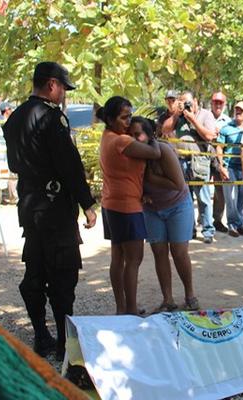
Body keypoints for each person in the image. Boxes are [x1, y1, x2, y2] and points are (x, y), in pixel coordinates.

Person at [3, 61, 97, 360]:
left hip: (30, 205)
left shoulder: (16, 117)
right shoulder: (51, 118)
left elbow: (15, 163)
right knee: (62, 274)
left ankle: (41, 337)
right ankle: (61, 342)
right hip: (55, 208)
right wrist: (88, 203)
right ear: (52, 84)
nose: (63, 95)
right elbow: (68, 165)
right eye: (63, 89)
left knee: (35, 270)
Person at [98, 96, 161, 315]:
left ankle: (122, 308)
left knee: (119, 258)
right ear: (110, 119)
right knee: (133, 259)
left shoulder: (107, 136)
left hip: (111, 204)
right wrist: (151, 135)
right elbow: (155, 153)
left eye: (130, 117)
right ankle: (131, 310)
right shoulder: (121, 141)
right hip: (126, 206)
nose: (128, 122)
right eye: (124, 118)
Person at [129, 117, 199, 312]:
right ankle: (167, 299)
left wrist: (151, 178)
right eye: (130, 134)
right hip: (152, 210)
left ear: (150, 135)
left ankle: (190, 295)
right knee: (159, 253)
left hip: (178, 205)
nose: (133, 139)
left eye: (138, 134)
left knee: (179, 252)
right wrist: (142, 194)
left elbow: (178, 184)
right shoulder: (131, 153)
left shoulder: (164, 151)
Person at [171, 90, 218, 243]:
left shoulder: (206, 115)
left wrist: (192, 120)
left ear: (196, 101)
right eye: (183, 103)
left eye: (188, 102)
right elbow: (164, 130)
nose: (186, 105)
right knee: (185, 198)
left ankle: (208, 231)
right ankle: (189, 230)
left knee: (203, 197)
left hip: (200, 161)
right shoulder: (178, 117)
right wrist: (175, 115)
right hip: (181, 161)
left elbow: (210, 136)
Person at [216, 101, 243, 237]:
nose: (238, 112)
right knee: (230, 198)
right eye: (236, 110)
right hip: (228, 166)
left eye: (241, 110)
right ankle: (232, 225)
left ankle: (240, 224)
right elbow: (219, 147)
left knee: (242, 197)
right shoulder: (226, 128)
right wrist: (221, 166)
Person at [210, 91, 231, 234]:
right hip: (203, 157)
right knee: (202, 191)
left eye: (220, 102)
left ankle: (217, 220)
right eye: (215, 102)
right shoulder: (203, 116)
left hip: (219, 159)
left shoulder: (228, 121)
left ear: (224, 104)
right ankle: (203, 221)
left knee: (220, 192)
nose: (218, 104)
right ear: (211, 103)